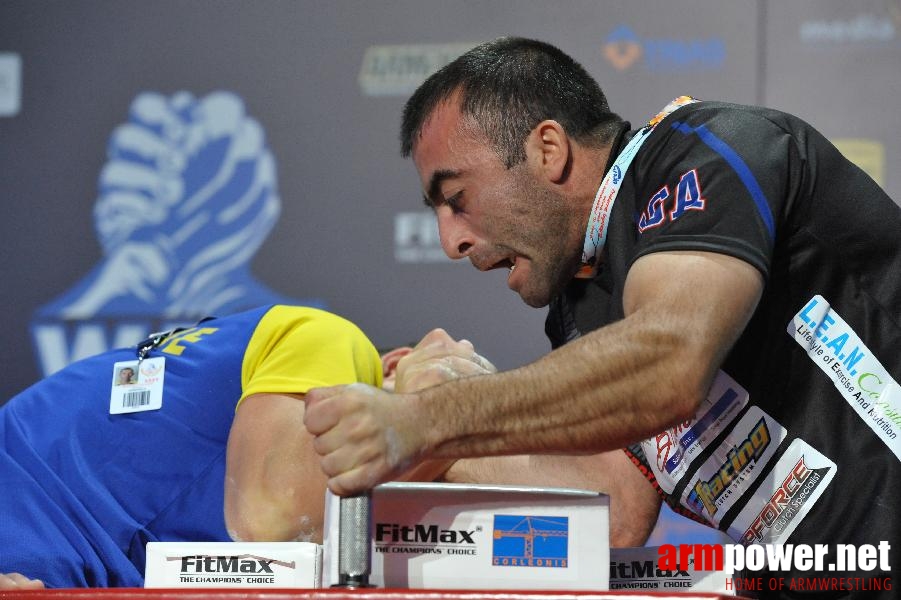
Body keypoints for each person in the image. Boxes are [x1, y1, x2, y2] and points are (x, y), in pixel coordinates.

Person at [303, 37, 901, 596]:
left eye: (457, 199)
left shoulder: (706, 151)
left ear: (548, 149)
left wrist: (426, 418)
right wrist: (418, 433)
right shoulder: (582, 306)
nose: (449, 241)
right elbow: (615, 508)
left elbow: (666, 365)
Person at [1, 303, 657, 589]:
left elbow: (608, 521)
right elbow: (275, 527)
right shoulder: (324, 338)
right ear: (392, 363)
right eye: (455, 376)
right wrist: (424, 421)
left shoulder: (374, 489)